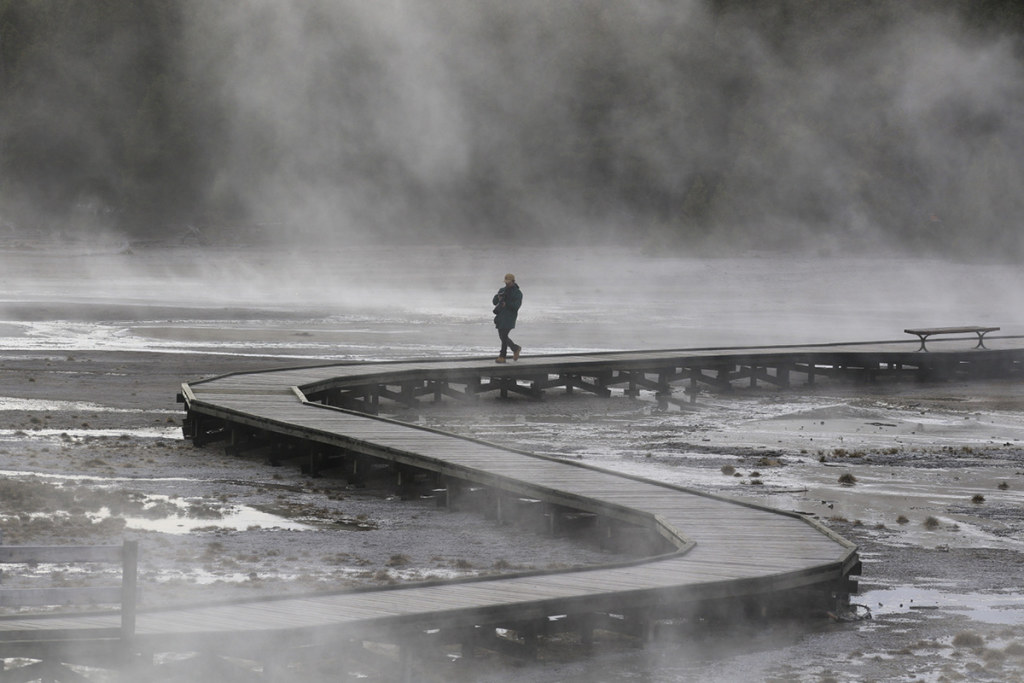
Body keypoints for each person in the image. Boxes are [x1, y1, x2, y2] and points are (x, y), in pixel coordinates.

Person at [492, 273, 522, 363]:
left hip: (509, 317)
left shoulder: (517, 293)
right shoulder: (502, 290)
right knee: (502, 336)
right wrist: (498, 297)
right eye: (506, 282)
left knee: (504, 335)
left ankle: (502, 356)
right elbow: (494, 302)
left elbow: (516, 306)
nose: (507, 284)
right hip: (501, 316)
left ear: (513, 281)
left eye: (508, 282)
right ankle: (515, 348)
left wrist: (507, 304)